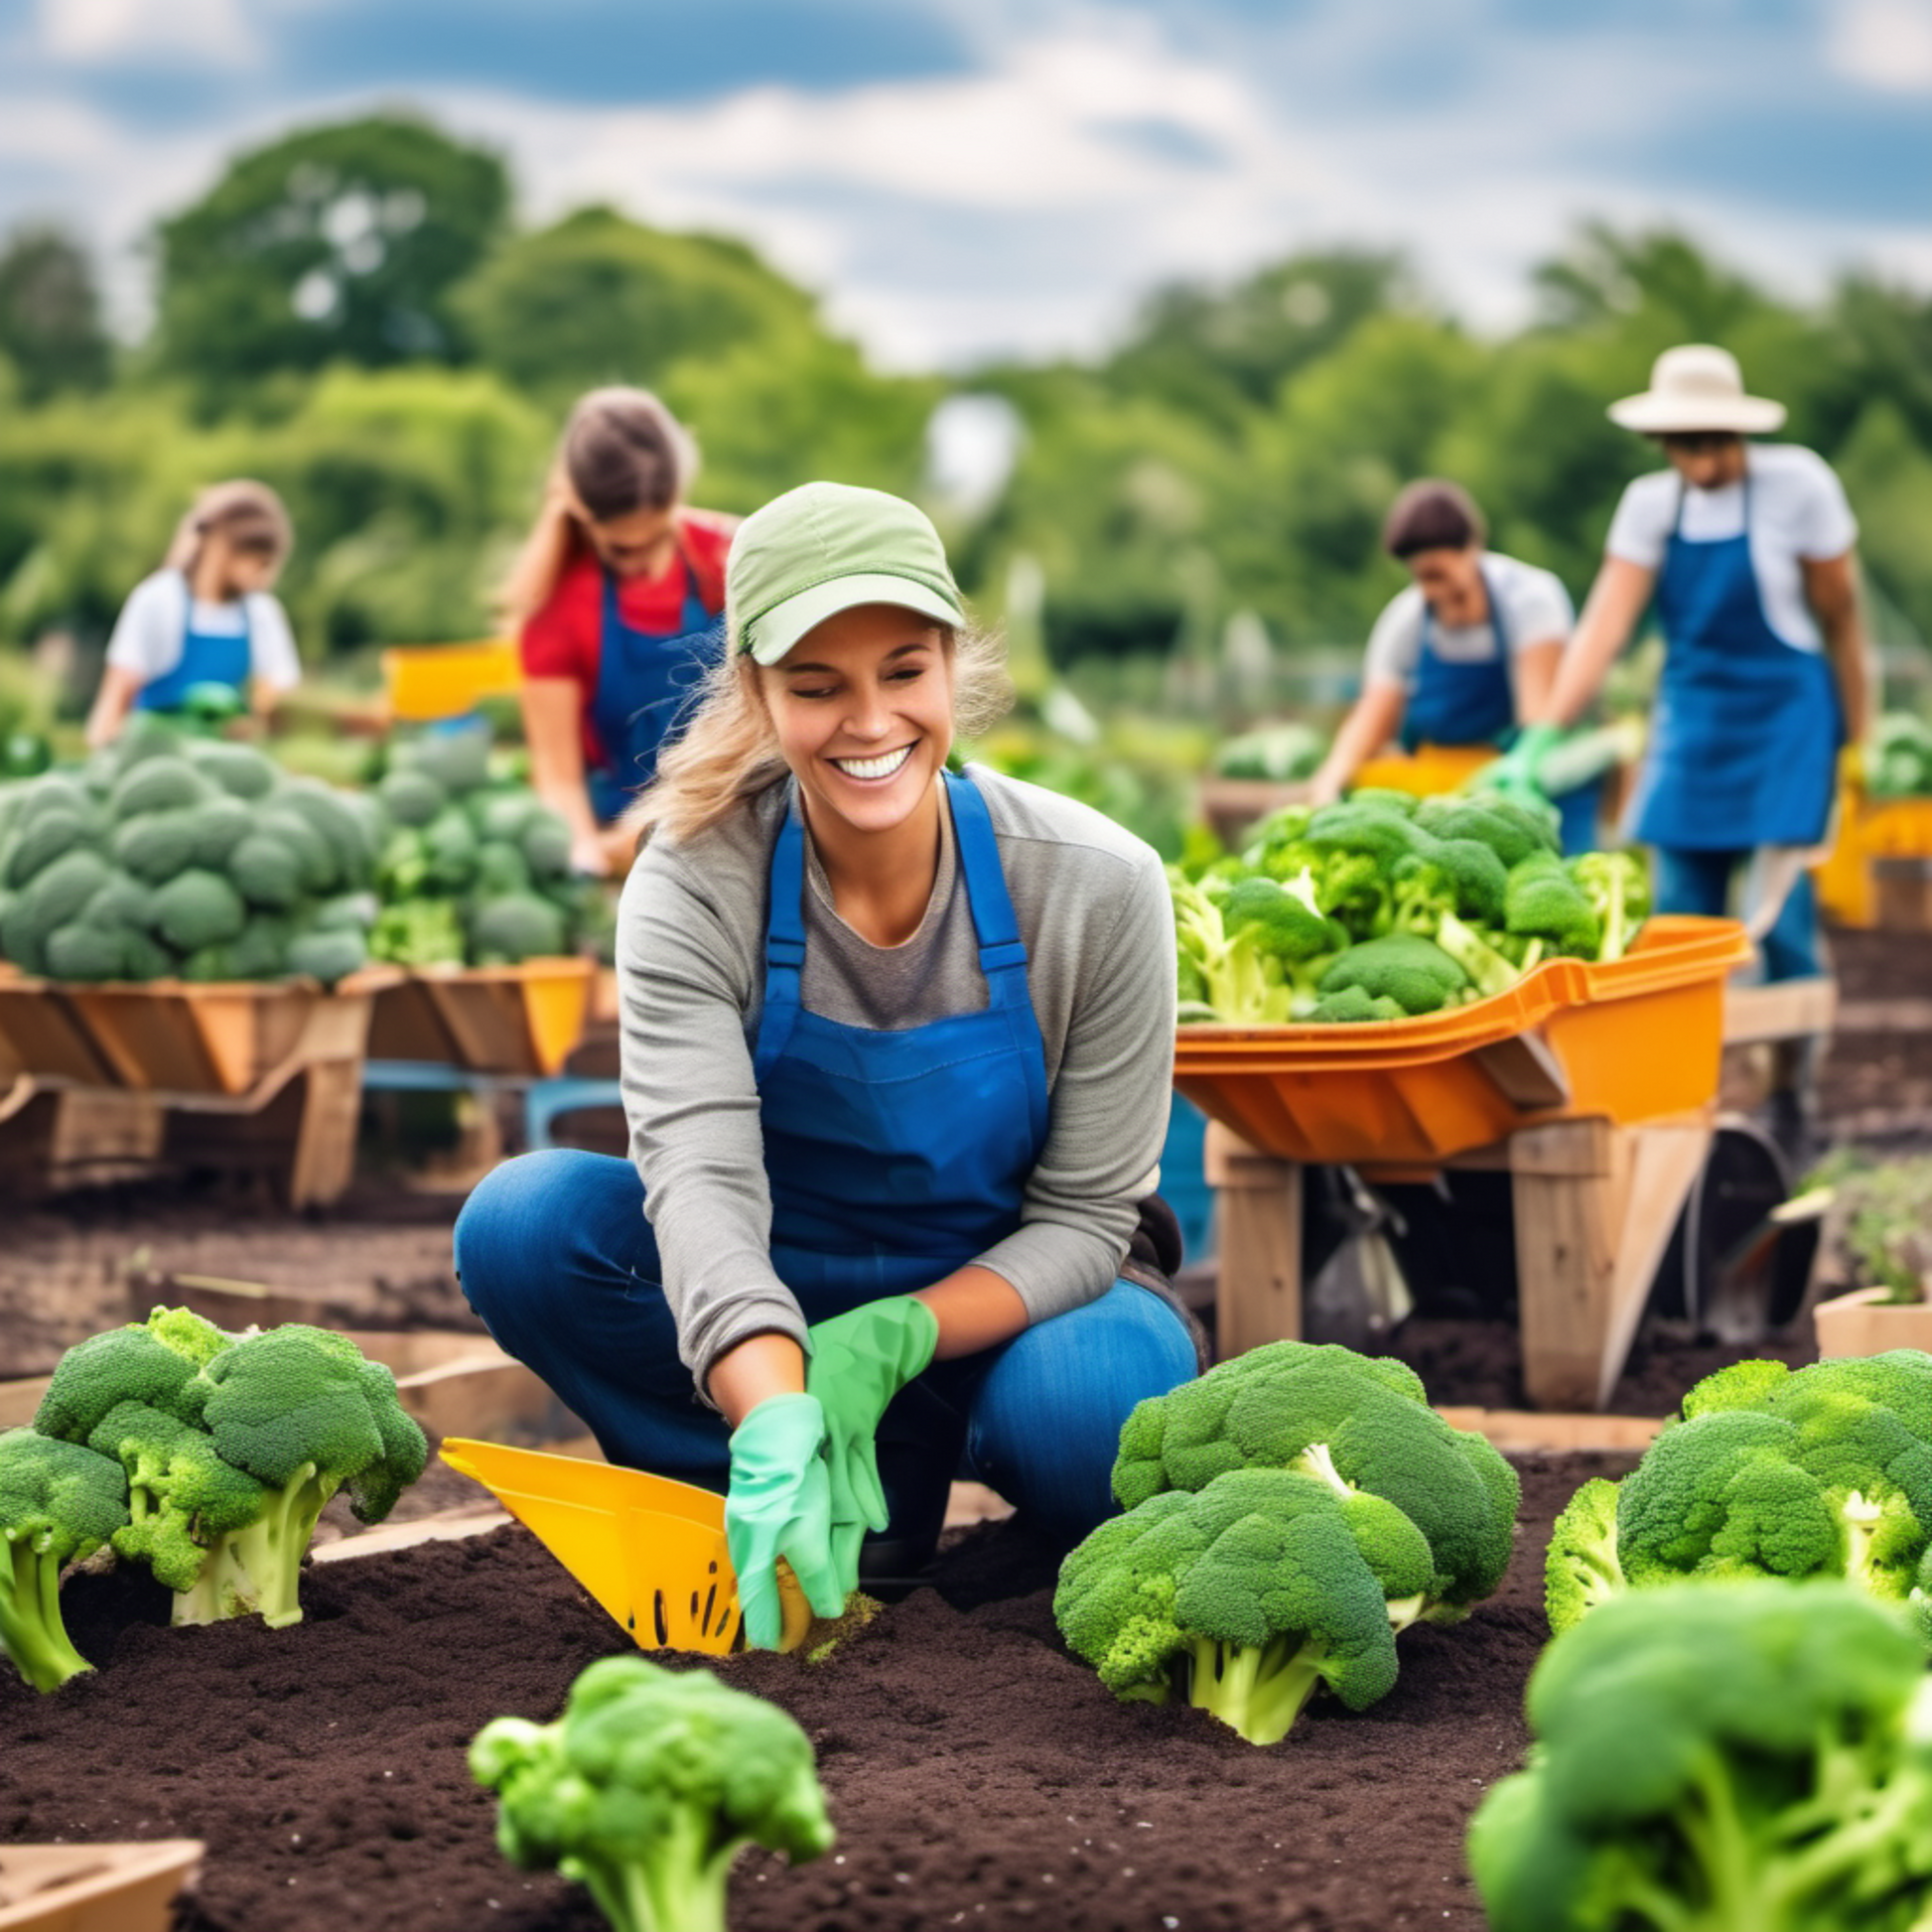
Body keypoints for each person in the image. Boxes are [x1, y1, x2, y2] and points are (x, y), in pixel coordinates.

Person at [455, 481, 1197, 1647]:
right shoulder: (698, 876)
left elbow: (1087, 1216)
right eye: (816, 687)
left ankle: (982, 1511)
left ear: (951, 666)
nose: (868, 723)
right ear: (756, 691)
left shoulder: (1095, 884)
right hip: (774, 1285)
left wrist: (892, 1334)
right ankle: (787, 1488)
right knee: (524, 1221)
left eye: (903, 673)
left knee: (1088, 1409)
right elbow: (696, 1176)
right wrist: (772, 1398)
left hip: (1003, 1311)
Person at [1508, 344, 1869, 991]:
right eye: (1682, 442)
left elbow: (1841, 617)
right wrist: (1545, 732)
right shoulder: (1650, 505)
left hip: (1785, 724)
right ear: (1659, 439)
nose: (1699, 456)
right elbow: (1605, 624)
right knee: (1675, 913)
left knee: (1781, 920)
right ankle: (1685, 1083)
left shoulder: (1799, 486)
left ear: (1739, 430)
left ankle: (1791, 1083)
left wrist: (1858, 734)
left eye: (1712, 440)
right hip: (1693, 722)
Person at [498, 387, 734, 876]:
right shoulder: (557, 609)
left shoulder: (732, 560)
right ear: (582, 512)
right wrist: (587, 858)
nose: (646, 562)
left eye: (660, 535)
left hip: (737, 822)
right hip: (627, 843)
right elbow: (559, 779)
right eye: (623, 550)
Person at [1309, 480, 1597, 850]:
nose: (1432, 590)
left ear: (1472, 549)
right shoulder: (1405, 619)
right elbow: (1375, 714)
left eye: (1440, 574)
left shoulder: (1530, 599)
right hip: (1450, 779)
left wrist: (1517, 773)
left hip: (1536, 775)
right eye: (1421, 577)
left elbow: (1538, 715)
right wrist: (1330, 779)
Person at [85, 480, 299, 749]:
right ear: (220, 546)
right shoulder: (159, 600)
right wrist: (101, 752)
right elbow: (116, 698)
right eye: (258, 560)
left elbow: (278, 696)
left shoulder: (262, 613)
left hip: (229, 762)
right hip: (154, 756)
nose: (264, 574)